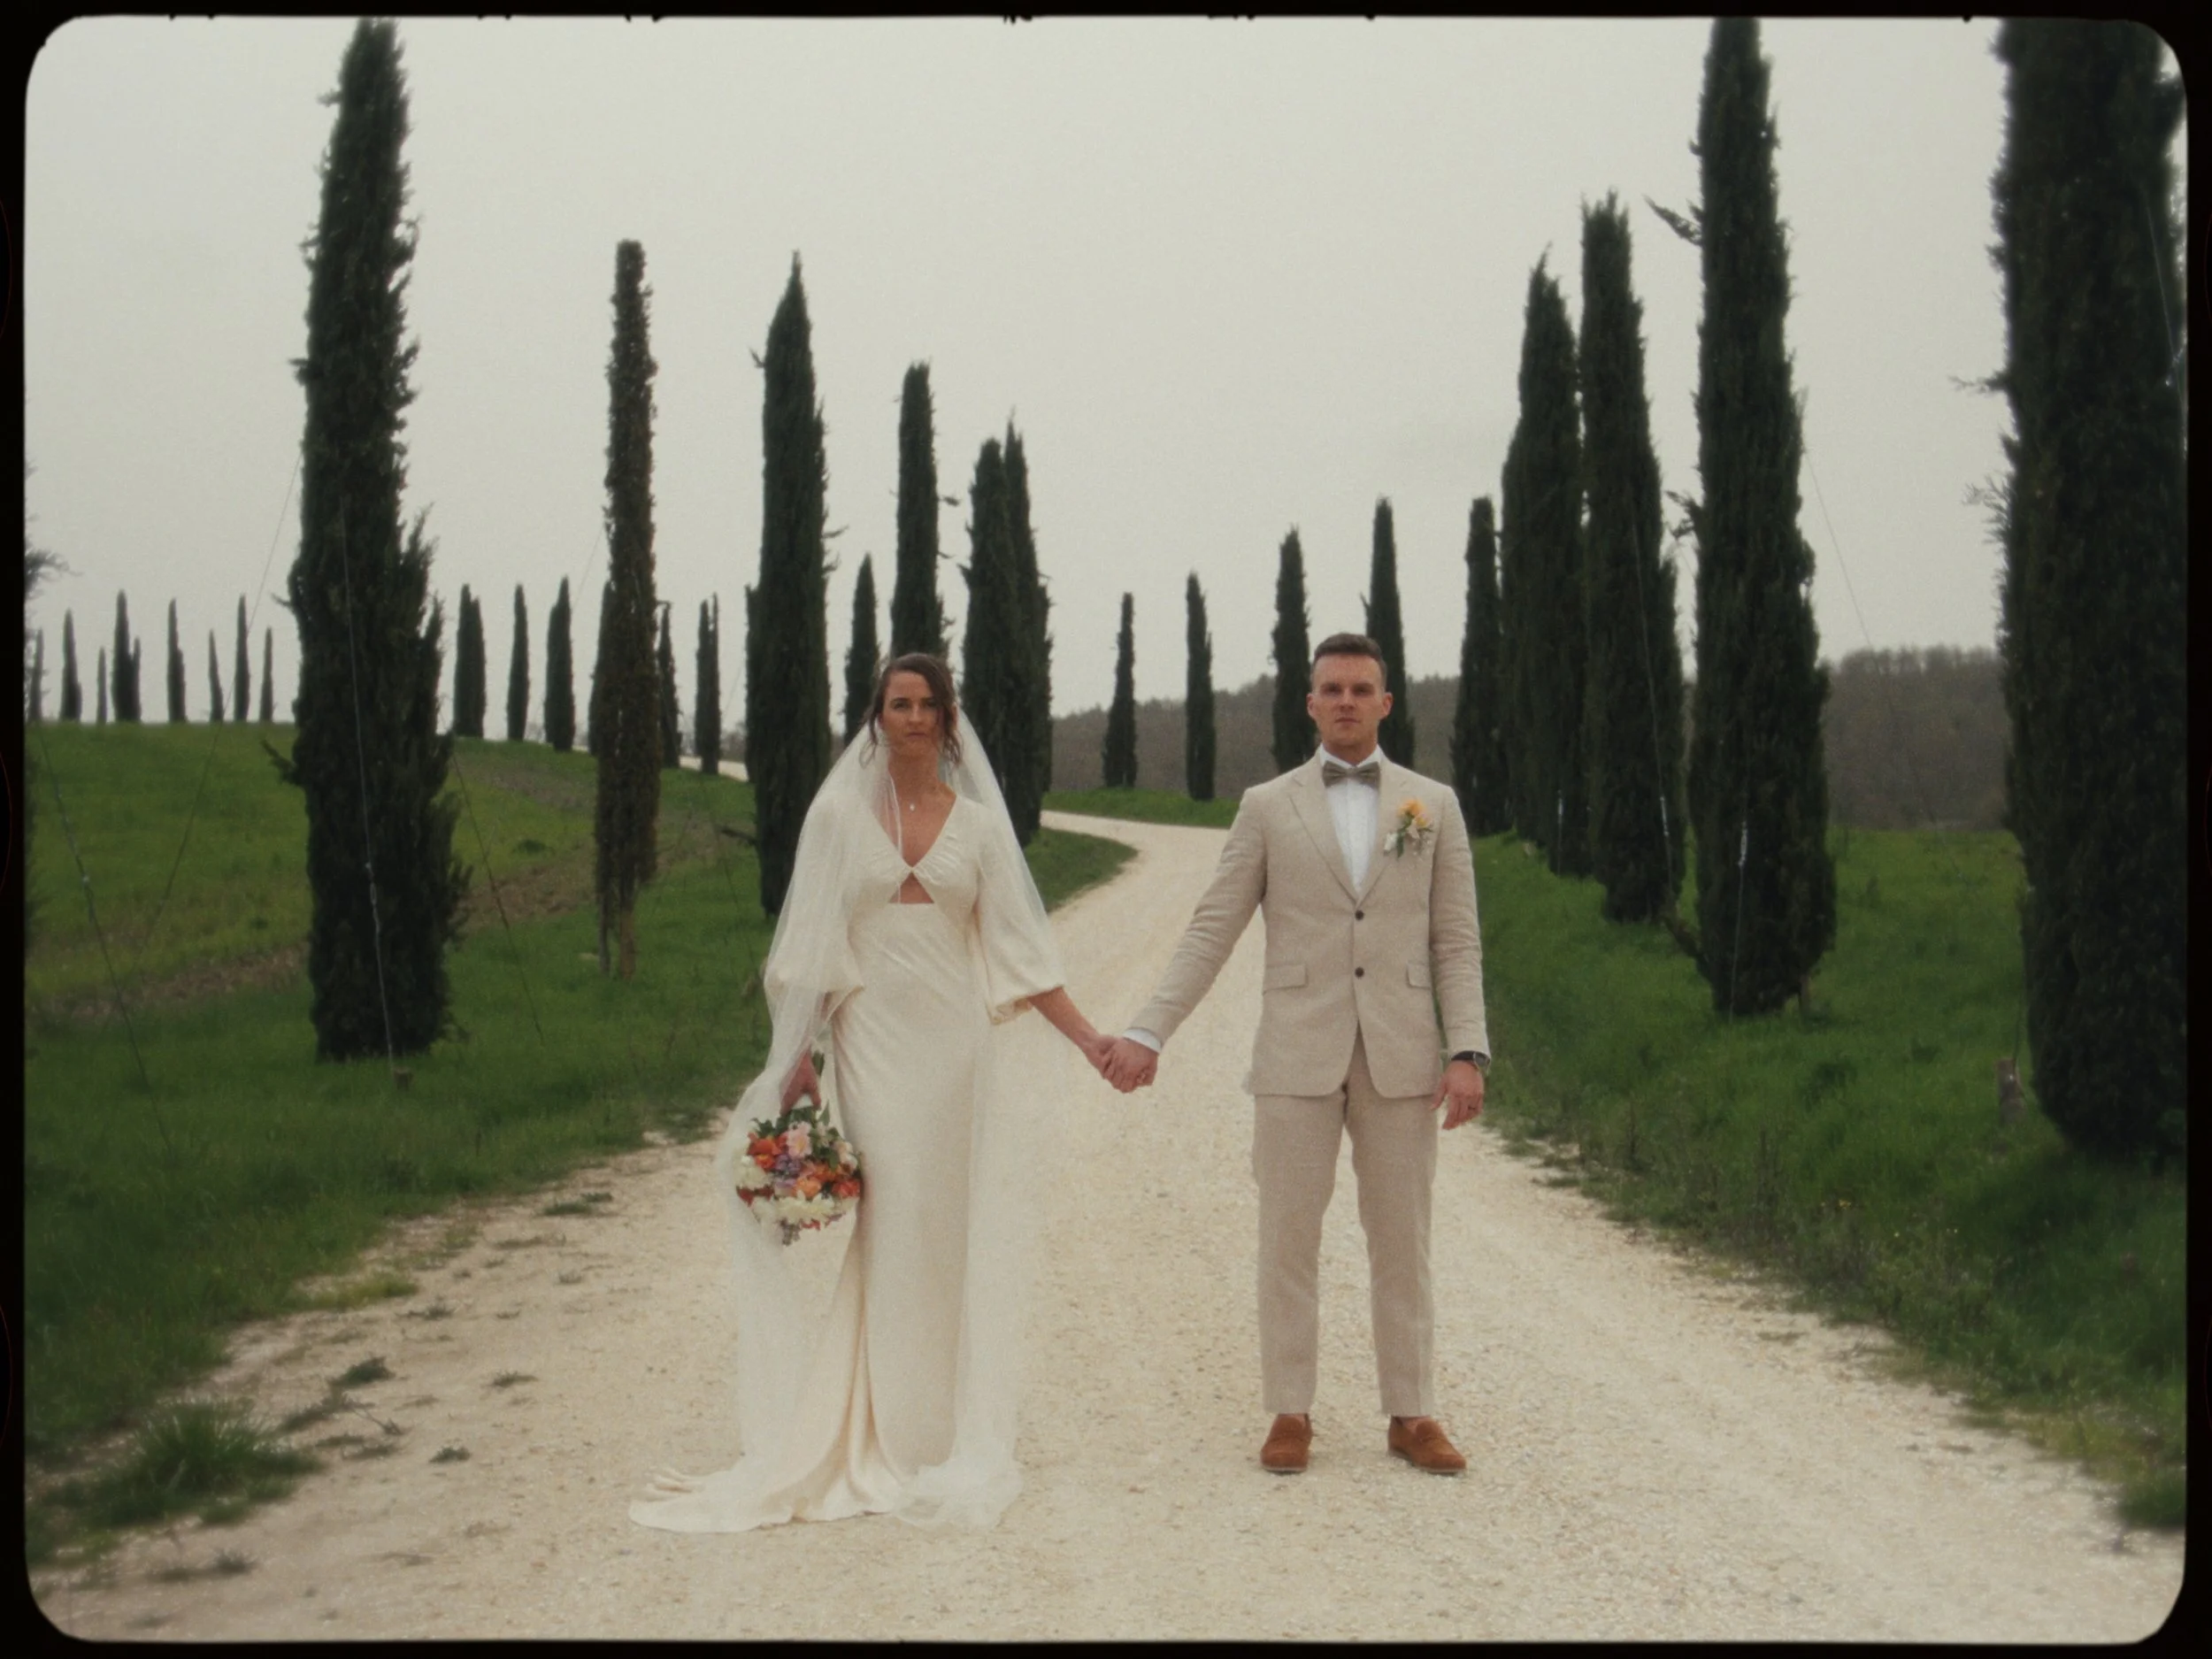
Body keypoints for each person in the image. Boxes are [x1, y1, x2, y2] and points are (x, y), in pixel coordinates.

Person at [632, 654, 1114, 1533]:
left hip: (955, 1045)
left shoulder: (974, 824)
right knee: (894, 1216)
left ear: (950, 717)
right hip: (873, 1041)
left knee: (946, 1223)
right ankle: (880, 1422)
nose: (916, 718)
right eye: (901, 704)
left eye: (931, 704)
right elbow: (813, 941)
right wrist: (798, 1057)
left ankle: (937, 1423)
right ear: (876, 717)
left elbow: (1020, 951)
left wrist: (1088, 1040)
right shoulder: (836, 817)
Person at [1101, 633, 1488, 1477]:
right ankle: (1290, 1408)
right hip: (1295, 1053)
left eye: (1362, 688)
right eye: (1330, 689)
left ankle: (1412, 1409)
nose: (1346, 700)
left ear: (1387, 703)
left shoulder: (1435, 805)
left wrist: (1466, 1050)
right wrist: (1148, 1029)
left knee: (1402, 1238)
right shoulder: (1266, 806)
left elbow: (1455, 940)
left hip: (1402, 1054)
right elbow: (1213, 928)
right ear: (1309, 704)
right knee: (1287, 1237)